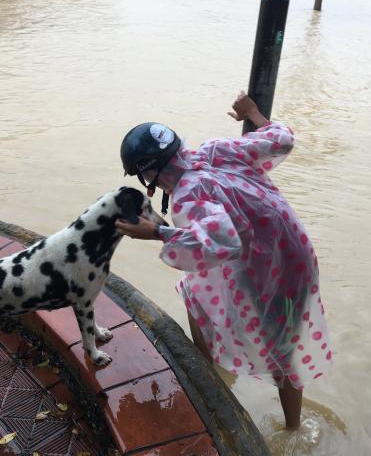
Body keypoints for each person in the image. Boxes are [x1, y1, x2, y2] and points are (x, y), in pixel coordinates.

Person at [115, 92, 331, 430]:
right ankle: (240, 391)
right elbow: (282, 139)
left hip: (266, 271)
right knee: (196, 292)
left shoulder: (187, 194)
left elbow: (221, 241)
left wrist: (157, 233)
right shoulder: (215, 150)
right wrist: (255, 115)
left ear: (150, 178)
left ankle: (284, 424)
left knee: (279, 352)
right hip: (296, 255)